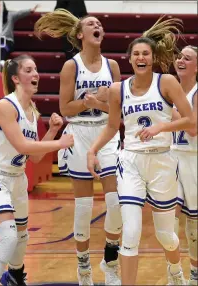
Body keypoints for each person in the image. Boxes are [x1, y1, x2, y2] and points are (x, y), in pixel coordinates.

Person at [87, 16, 196, 285]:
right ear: (130, 59)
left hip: (163, 161)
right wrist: (93, 150)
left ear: (152, 57)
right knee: (131, 231)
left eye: (145, 53)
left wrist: (162, 128)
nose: (140, 57)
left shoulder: (167, 82)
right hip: (131, 161)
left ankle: (174, 270)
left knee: (166, 235)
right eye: (136, 53)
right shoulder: (118, 89)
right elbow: (113, 127)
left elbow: (191, 120)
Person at [34, 9, 122, 286]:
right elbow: (65, 108)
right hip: (80, 134)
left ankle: (111, 259)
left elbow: (117, 109)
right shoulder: (71, 66)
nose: (98, 26)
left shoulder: (113, 67)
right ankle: (83, 267)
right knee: (84, 206)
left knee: (114, 201)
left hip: (107, 133)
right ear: (81, 35)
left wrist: (101, 103)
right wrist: (89, 101)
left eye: (100, 24)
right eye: (91, 24)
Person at [0, 54, 74, 286]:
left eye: (36, 70)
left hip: (18, 179)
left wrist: (51, 132)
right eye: (29, 70)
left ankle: (16, 278)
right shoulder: (5, 105)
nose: (36, 74)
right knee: (8, 237)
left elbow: (35, 156)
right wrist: (59, 143)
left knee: (21, 237)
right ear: (16, 78)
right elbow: (21, 146)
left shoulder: (31, 109)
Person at [170, 45, 197, 286]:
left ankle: (195, 276)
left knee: (194, 227)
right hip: (171, 158)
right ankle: (174, 274)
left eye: (187, 58)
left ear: (196, 67)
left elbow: (192, 128)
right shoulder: (170, 89)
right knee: (169, 218)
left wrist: (172, 112)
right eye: (179, 56)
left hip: (193, 158)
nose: (181, 60)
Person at [0, 0, 39, 65]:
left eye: (1, 6)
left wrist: (30, 10)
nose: (0, 8)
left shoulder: (9, 15)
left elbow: (19, 13)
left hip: (7, 41)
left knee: (2, 46)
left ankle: (1, 61)